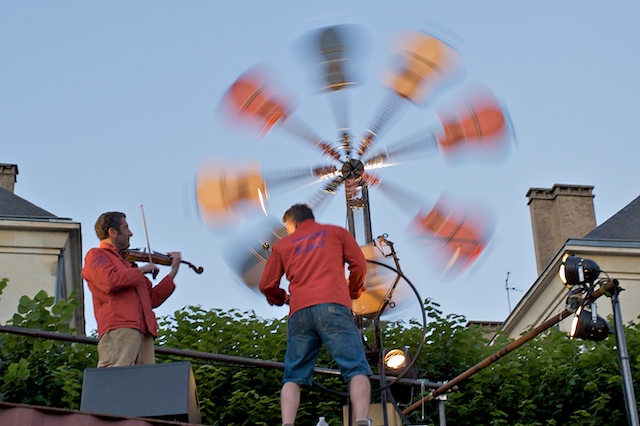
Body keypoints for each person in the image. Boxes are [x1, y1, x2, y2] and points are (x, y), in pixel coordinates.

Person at [259, 204, 371, 426]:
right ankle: (360, 421)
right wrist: (354, 291)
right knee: (356, 368)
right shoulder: (336, 233)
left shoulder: (282, 245)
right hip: (333, 306)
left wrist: (281, 298)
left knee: (293, 375)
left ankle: (288, 424)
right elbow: (359, 263)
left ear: (292, 223)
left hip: (299, 312)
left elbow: (266, 284)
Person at [82, 211, 180, 367]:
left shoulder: (129, 266)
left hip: (144, 331)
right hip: (120, 326)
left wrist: (173, 272)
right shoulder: (96, 255)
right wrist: (141, 270)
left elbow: (152, 299)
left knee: (143, 383)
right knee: (116, 377)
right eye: (126, 228)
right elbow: (109, 280)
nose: (131, 233)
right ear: (113, 232)